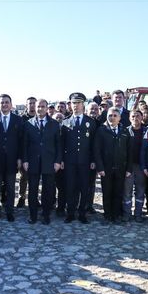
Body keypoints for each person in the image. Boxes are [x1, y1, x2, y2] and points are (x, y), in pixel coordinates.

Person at [22, 99, 61, 224]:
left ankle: (46, 214)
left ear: (47, 108)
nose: (40, 109)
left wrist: (57, 161)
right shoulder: (28, 124)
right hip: (33, 161)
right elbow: (25, 144)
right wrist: (25, 160)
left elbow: (58, 145)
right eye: (38, 106)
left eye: (43, 106)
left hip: (49, 162)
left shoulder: (54, 124)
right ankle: (33, 215)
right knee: (32, 190)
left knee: (48, 190)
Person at [60, 92, 97, 224]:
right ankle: (70, 213)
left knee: (84, 188)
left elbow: (94, 144)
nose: (76, 106)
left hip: (85, 162)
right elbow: (61, 144)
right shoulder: (65, 122)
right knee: (70, 187)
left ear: (83, 104)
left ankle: (82, 213)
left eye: (78, 103)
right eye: (73, 103)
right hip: (69, 162)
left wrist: (93, 160)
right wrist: (61, 160)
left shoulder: (91, 123)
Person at [0, 94, 23, 222]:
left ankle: (9, 211)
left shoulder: (18, 119)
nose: (5, 104)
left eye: (7, 102)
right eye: (2, 102)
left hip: (12, 159)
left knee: (11, 187)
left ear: (11, 104)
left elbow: (21, 141)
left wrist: (19, 158)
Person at [94, 107, 132, 224]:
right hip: (106, 168)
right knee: (107, 192)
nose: (113, 117)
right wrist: (100, 167)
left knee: (118, 192)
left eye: (115, 115)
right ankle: (107, 215)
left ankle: (116, 215)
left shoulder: (125, 131)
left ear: (120, 117)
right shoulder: (101, 130)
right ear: (107, 116)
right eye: (110, 115)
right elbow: (97, 150)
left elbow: (129, 151)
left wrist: (129, 168)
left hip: (121, 168)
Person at [124, 109, 147, 223]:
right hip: (128, 166)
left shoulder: (147, 131)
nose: (135, 118)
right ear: (129, 118)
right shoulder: (125, 131)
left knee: (140, 191)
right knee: (127, 191)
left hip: (141, 166)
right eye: (132, 116)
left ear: (142, 117)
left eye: (137, 116)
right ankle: (127, 213)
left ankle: (138, 214)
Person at [18, 97, 38, 208]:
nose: (32, 105)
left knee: (35, 178)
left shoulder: (40, 117)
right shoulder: (22, 119)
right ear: (26, 105)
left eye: (34, 103)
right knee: (24, 177)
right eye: (30, 103)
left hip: (36, 153)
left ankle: (34, 198)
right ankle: (22, 197)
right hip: (24, 152)